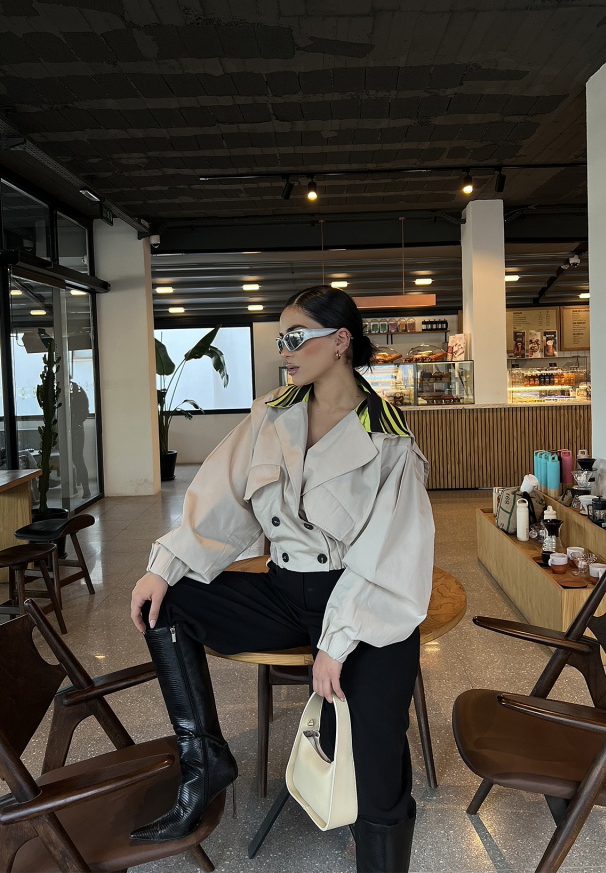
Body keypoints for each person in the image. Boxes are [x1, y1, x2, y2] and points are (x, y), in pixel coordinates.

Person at [130, 286, 435, 872]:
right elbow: (221, 493)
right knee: (166, 604)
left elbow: (390, 555)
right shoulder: (273, 412)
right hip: (284, 591)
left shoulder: (388, 437)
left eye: (296, 338)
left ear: (340, 341)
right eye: (281, 339)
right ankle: (204, 762)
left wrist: (335, 644)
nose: (284, 352)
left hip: (360, 604)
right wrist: (163, 567)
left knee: (376, 750)